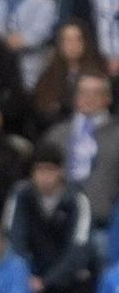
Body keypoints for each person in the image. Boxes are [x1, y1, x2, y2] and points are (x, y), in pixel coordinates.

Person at [4, 151, 97, 293]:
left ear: (61, 172)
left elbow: (78, 250)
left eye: (50, 171)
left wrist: (47, 281)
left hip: (69, 278)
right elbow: (14, 239)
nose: (44, 177)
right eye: (39, 170)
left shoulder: (77, 200)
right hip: (31, 275)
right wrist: (26, 275)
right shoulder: (21, 195)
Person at [42, 72, 119, 226]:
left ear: (108, 98)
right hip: (60, 224)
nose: (88, 98)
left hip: (106, 223)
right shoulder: (57, 134)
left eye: (96, 93)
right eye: (83, 92)